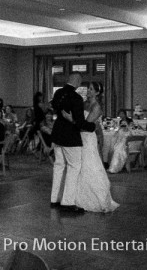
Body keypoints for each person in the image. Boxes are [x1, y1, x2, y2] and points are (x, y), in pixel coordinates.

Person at [62, 81, 119, 212]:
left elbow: (84, 126)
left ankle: (96, 199)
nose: (88, 91)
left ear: (97, 92)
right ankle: (75, 198)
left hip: (87, 139)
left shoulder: (96, 107)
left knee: (90, 165)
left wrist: (70, 119)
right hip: (79, 137)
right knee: (79, 166)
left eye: (91, 89)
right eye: (88, 89)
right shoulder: (85, 103)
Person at [49, 74, 97, 213]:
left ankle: (55, 199)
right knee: (74, 166)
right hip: (70, 136)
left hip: (57, 134)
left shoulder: (58, 93)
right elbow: (79, 122)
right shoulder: (76, 98)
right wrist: (92, 127)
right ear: (77, 82)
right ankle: (68, 202)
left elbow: (54, 107)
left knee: (59, 166)